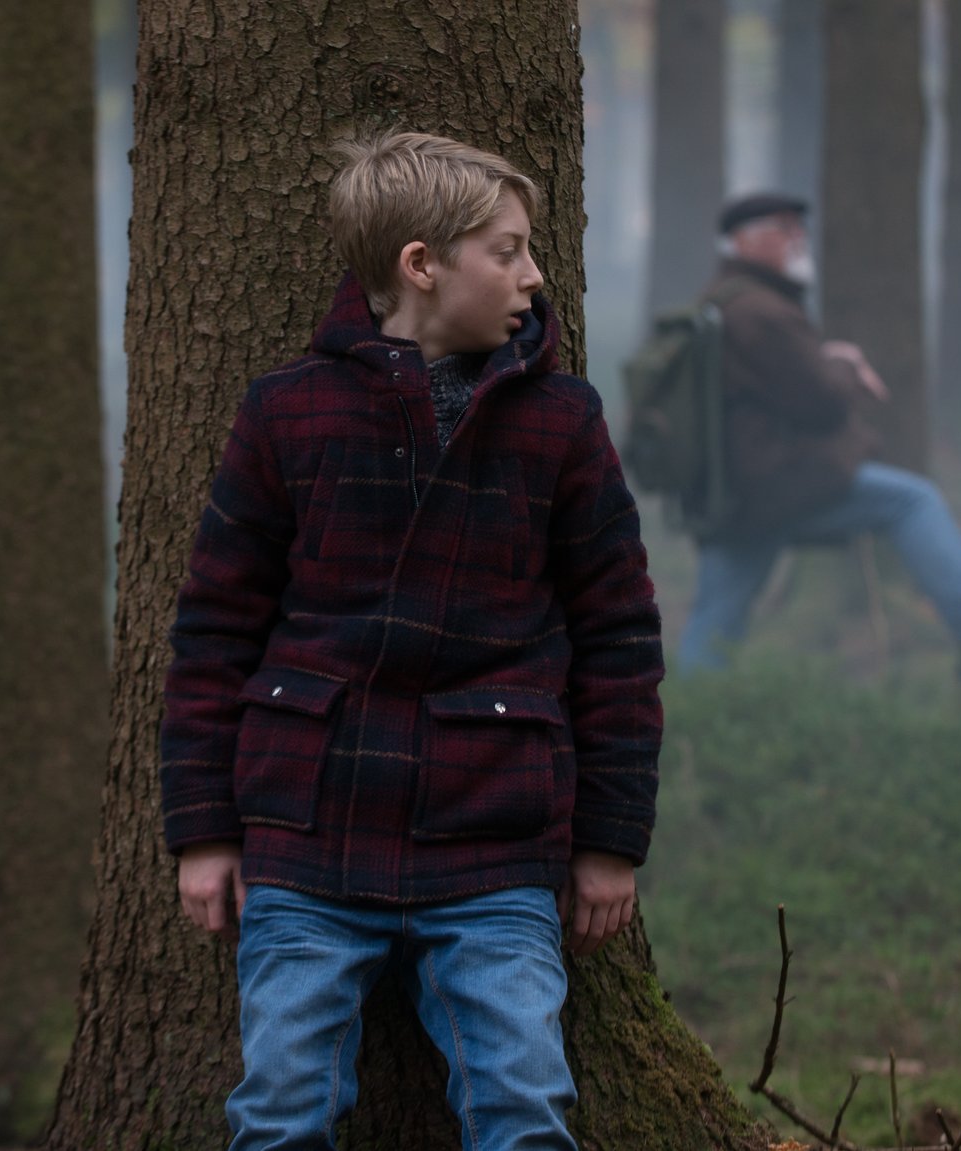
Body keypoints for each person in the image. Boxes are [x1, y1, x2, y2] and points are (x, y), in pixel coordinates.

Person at [160, 131, 661, 1150]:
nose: (532, 276)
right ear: (419, 265)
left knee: (523, 1110)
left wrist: (609, 838)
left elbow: (617, 637)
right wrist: (204, 827)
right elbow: (214, 629)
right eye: (507, 250)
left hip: (496, 843)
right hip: (303, 840)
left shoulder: (561, 421)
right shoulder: (285, 412)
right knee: (277, 1114)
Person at [672, 193, 961, 678]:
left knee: (715, 620)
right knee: (912, 500)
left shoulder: (719, 302)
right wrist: (843, 364)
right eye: (782, 228)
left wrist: (824, 361)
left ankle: (692, 721)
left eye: (798, 227)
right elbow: (820, 401)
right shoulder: (762, 313)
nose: (797, 238)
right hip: (774, 486)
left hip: (732, 491)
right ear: (743, 243)